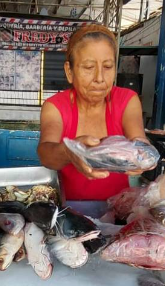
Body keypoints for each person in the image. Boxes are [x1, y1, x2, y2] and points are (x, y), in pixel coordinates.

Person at [37, 24, 148, 201]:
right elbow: (46, 154)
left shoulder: (127, 100)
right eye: (89, 67)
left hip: (118, 210)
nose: (99, 78)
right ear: (69, 71)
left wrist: (143, 153)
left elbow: (139, 141)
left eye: (108, 66)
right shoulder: (55, 106)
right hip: (69, 212)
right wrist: (69, 151)